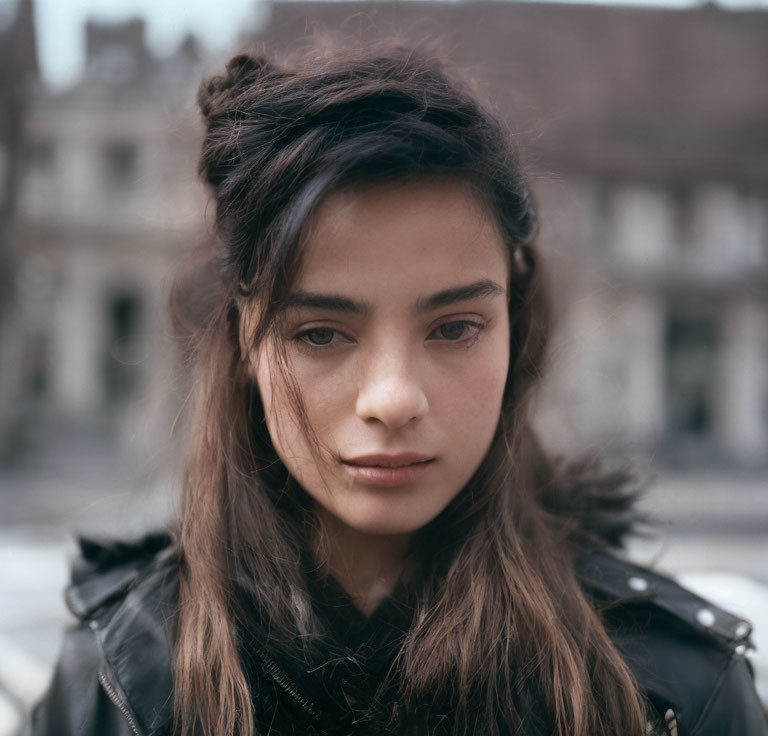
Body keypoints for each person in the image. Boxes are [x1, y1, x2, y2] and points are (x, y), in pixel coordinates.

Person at [28, 40, 767, 736]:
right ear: (244, 338)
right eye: (320, 334)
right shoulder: (113, 683)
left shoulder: (676, 692)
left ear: (515, 322)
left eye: (454, 328)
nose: (392, 398)